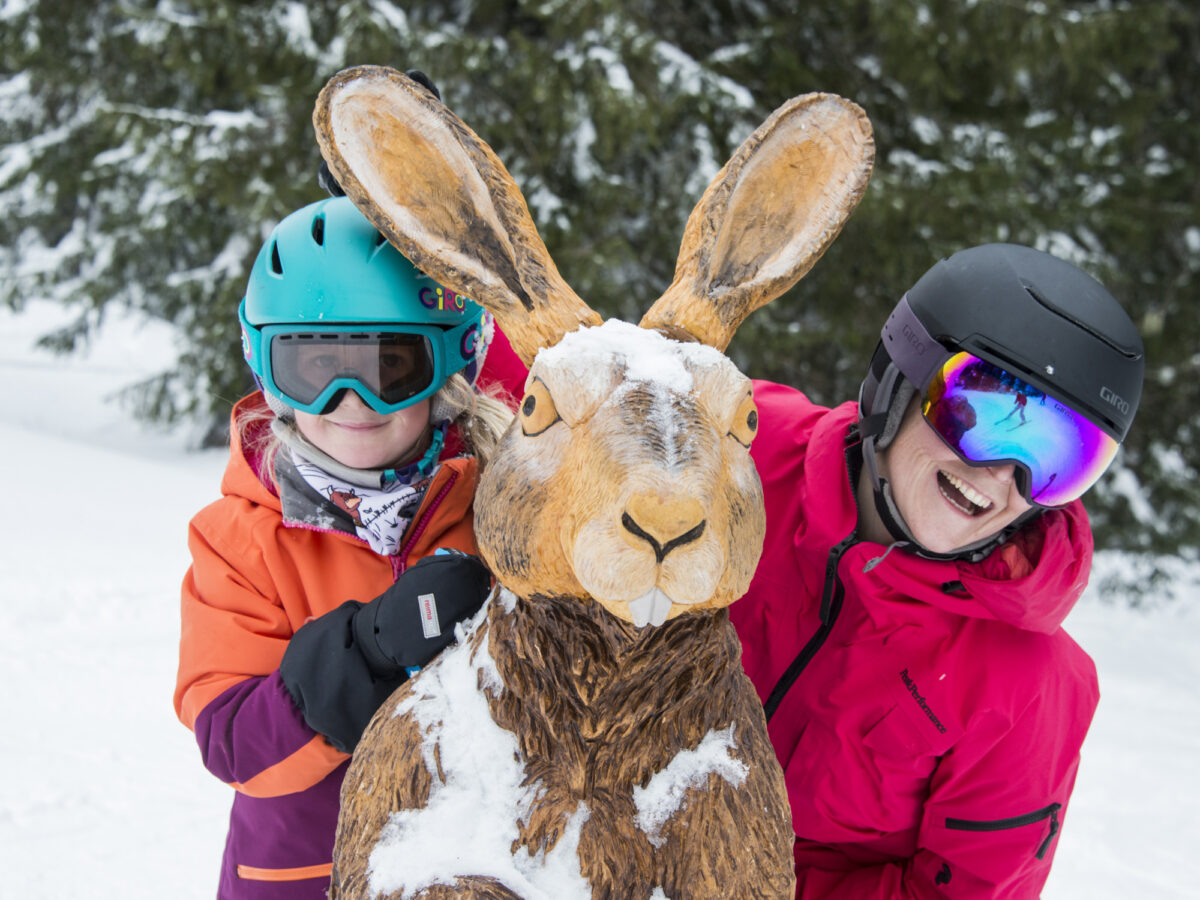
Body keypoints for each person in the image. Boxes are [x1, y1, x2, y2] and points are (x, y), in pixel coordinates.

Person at [730, 243, 1144, 898]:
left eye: (1055, 456)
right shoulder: (740, 449)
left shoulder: (1027, 687)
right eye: (979, 412)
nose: (1003, 476)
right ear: (900, 376)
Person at [173, 195, 526, 898]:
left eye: (388, 367)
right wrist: (364, 650)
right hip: (310, 878)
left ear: (446, 370)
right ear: (268, 376)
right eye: (315, 371)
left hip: (476, 870)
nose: (351, 402)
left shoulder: (500, 507)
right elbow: (233, 742)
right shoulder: (243, 539)